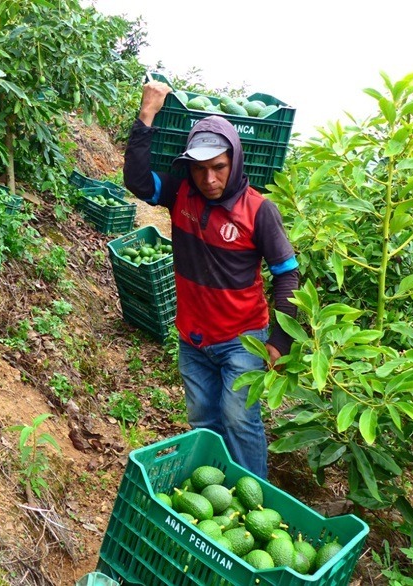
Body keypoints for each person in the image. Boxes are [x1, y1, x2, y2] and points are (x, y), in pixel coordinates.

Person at [123, 80, 300, 480]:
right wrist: (147, 115)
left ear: (234, 161)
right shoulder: (181, 193)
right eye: (200, 169)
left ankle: (255, 497)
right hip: (193, 337)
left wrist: (279, 341)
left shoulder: (259, 211)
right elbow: (136, 181)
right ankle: (216, 491)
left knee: (240, 421)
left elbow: (289, 276)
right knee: (203, 419)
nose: (209, 179)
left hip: (242, 339)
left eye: (218, 167)